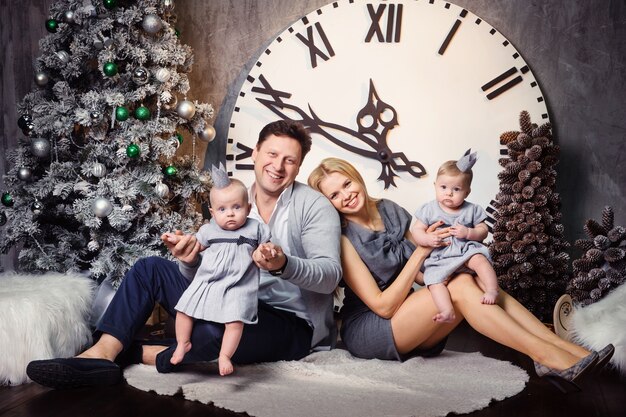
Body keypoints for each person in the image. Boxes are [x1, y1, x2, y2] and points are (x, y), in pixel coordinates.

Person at [26, 120, 342, 388]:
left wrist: (283, 263)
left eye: (290, 160)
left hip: (290, 324)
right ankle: (103, 354)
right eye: (272, 154)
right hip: (228, 301)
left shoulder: (313, 207)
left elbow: (329, 278)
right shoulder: (232, 204)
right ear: (256, 153)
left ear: (298, 167)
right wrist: (190, 261)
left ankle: (138, 353)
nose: (278, 165)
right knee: (149, 268)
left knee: (213, 329)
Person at [307, 157, 614, 393]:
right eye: (334, 195)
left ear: (356, 178)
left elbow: (423, 273)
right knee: (459, 284)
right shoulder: (343, 238)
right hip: (373, 327)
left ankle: (565, 349)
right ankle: (548, 357)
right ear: (329, 204)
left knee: (468, 278)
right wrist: (422, 251)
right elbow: (384, 305)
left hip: (412, 315)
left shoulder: (388, 208)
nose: (345, 196)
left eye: (346, 184)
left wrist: (462, 255)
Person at [167, 169, 271, 376]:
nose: (230, 213)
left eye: (236, 207)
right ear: (213, 213)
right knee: (184, 310)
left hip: (238, 285)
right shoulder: (209, 230)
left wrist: (267, 251)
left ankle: (225, 355)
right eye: (222, 209)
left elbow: (266, 248)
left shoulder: (256, 229)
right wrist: (178, 241)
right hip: (208, 282)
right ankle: (183, 343)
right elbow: (192, 248)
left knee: (235, 322)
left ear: (248, 208)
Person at [411, 149, 499, 323]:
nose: (448, 193)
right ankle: (446, 310)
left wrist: (469, 232)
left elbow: (483, 230)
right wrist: (428, 239)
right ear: (435, 185)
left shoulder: (471, 209)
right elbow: (416, 230)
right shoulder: (429, 209)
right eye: (443, 187)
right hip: (441, 256)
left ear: (467, 192)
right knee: (433, 281)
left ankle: (492, 289)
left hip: (464, 250)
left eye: (456, 189)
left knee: (479, 260)